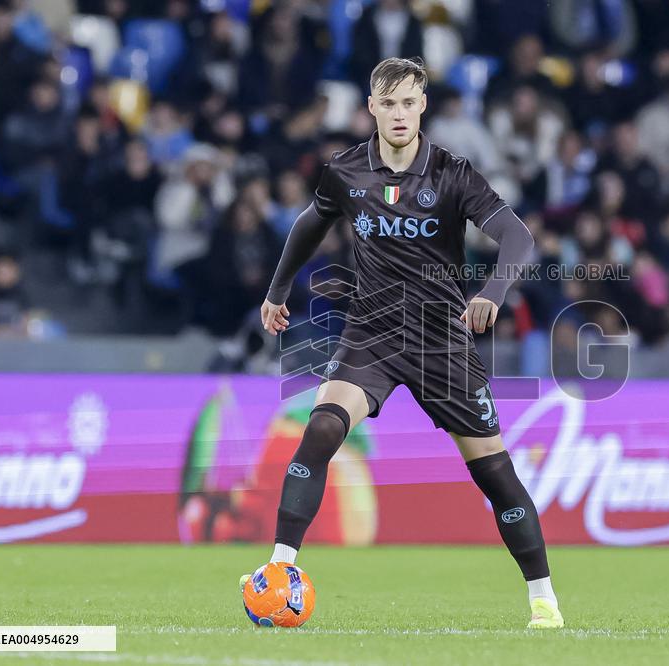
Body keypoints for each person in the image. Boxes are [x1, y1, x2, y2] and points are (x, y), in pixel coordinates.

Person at [247, 57, 563, 630]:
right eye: (386, 103)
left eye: (408, 102)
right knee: (319, 428)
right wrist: (277, 290)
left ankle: (543, 598)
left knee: (493, 474)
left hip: (442, 340)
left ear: (423, 106)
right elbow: (308, 225)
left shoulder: (452, 173)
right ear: (371, 107)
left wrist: (492, 291)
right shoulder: (344, 171)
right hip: (371, 332)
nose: (398, 113)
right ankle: (279, 569)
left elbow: (517, 236)